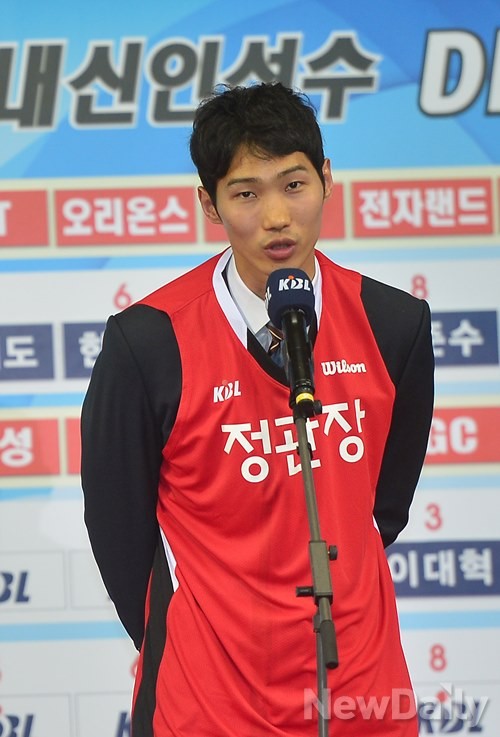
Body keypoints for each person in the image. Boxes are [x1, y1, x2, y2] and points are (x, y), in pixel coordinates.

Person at [81, 82, 434, 736]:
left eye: (294, 185)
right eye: (246, 193)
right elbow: (118, 530)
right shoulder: (149, 341)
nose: (276, 216)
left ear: (327, 180)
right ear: (209, 204)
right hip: (210, 698)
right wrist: (204, 634)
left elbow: (382, 507)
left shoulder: (394, 324)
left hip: (362, 688)